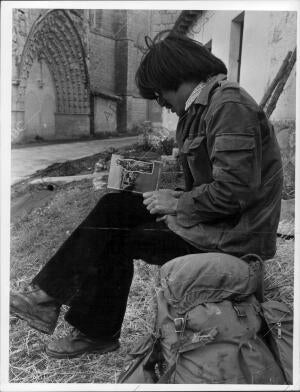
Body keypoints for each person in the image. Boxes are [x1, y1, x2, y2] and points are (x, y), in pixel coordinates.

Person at [10, 31, 283, 359]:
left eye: (158, 94)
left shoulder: (229, 105)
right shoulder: (197, 112)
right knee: (116, 218)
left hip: (235, 238)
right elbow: (205, 183)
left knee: (115, 220)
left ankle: (54, 302)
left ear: (174, 76)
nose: (160, 103)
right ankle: (79, 320)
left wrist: (177, 202)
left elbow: (236, 192)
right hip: (213, 226)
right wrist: (164, 187)